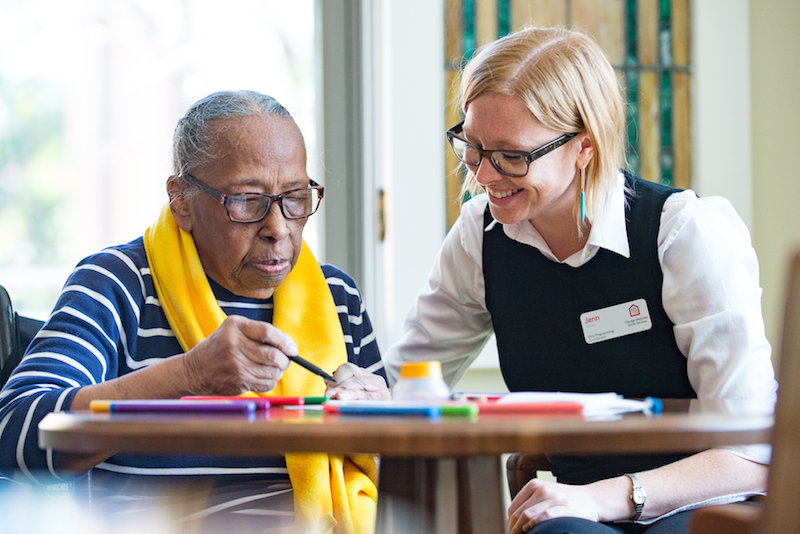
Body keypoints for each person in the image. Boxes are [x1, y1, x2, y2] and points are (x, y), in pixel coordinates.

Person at [384, 26, 777, 534]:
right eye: (473, 147)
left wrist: (602, 497)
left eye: (512, 155)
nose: (483, 175)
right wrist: (363, 388)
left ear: (584, 147)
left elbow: (752, 450)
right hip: (573, 516)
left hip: (701, 505)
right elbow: (407, 378)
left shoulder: (683, 233)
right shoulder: (479, 237)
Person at [0, 90, 389, 534]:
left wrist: (382, 431)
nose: (279, 228)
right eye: (247, 200)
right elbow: (14, 431)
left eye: (296, 197)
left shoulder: (337, 296)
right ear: (181, 199)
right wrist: (187, 377)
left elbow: (403, 476)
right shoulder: (118, 284)